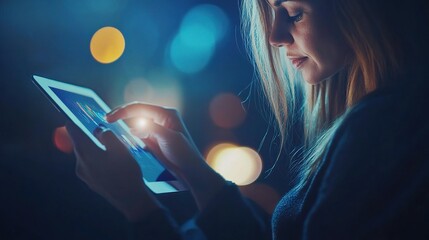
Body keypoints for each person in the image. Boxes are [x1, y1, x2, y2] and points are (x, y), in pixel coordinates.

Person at [65, 0, 429, 239]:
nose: (274, 36)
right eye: (271, 14)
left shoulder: (383, 126)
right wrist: (196, 172)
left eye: (294, 12)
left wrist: (138, 208)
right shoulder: (386, 119)